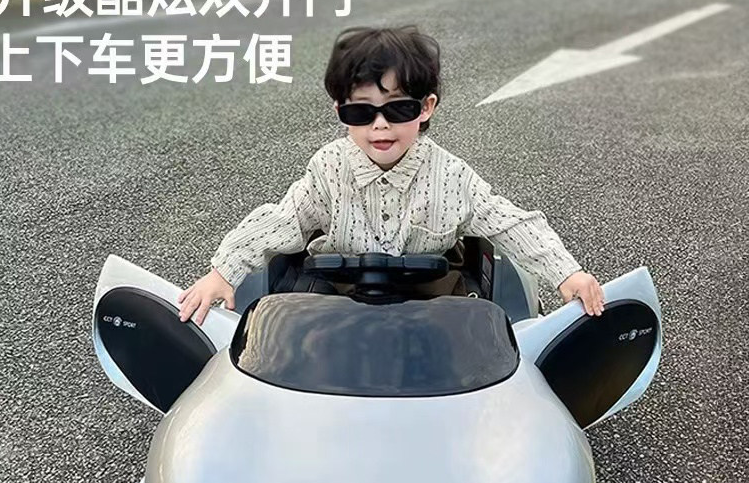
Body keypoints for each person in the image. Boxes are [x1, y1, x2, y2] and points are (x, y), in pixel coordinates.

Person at [178, 25, 604, 325]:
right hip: (337, 301)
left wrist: (567, 273)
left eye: (398, 109)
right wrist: (222, 272)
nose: (380, 125)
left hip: (431, 304)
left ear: (426, 108)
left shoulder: (452, 176)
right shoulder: (328, 168)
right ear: (341, 113)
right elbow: (282, 220)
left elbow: (509, 222)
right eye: (361, 112)